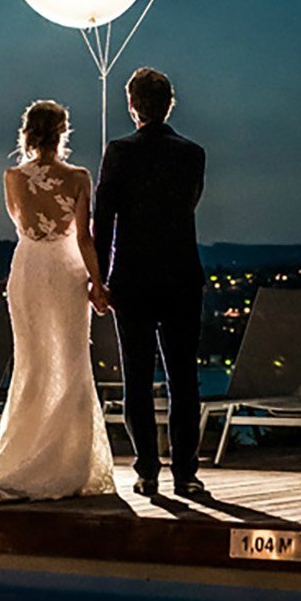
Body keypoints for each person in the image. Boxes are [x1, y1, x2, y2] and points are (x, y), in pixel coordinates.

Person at [0, 100, 115, 503]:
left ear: (29, 132)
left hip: (29, 269)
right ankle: (66, 458)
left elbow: (20, 223)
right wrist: (99, 284)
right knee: (70, 361)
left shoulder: (13, 176)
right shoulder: (80, 177)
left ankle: (26, 448)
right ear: (62, 132)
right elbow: (84, 237)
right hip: (67, 270)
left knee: (32, 362)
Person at [94, 67, 207, 497]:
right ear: (170, 103)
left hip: (133, 279)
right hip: (181, 275)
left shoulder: (119, 152)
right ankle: (186, 473)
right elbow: (190, 203)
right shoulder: (192, 153)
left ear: (131, 105)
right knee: (184, 379)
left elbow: (104, 222)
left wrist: (99, 279)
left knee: (137, 379)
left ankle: (146, 471)